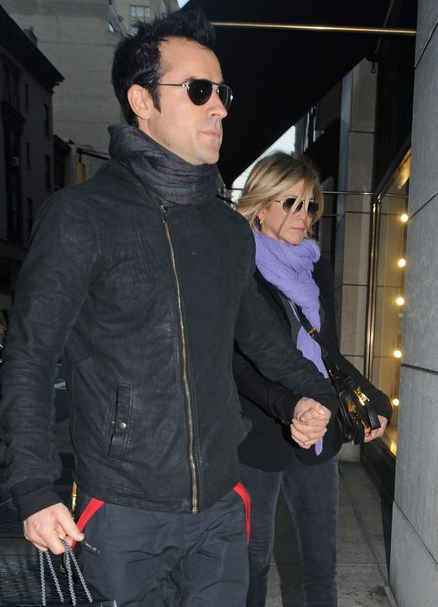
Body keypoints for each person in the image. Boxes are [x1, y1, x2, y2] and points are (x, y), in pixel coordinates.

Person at [0, 11, 339, 607]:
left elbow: (263, 342)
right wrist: (32, 487)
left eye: (223, 93)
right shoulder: (81, 216)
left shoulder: (227, 231)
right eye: (199, 90)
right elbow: (30, 355)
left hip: (221, 504)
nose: (220, 108)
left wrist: (316, 397)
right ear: (142, 101)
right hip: (122, 510)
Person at [234, 151, 392, 607]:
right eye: (291, 203)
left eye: (311, 205)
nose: (303, 216)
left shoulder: (315, 266)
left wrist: (374, 399)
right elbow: (237, 362)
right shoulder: (238, 263)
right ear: (261, 205)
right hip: (255, 434)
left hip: (319, 430)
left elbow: (327, 351)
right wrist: (291, 407)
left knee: (320, 565)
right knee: (251, 563)